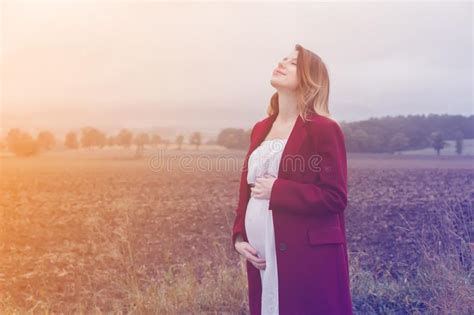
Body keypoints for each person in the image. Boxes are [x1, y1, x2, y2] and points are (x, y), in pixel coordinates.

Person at [231, 44, 353, 315]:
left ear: (310, 78)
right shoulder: (261, 128)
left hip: (305, 258)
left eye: (293, 62)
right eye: (282, 58)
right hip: (263, 259)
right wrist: (239, 236)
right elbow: (247, 189)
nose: (282, 63)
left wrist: (279, 190)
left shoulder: (324, 129)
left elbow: (335, 197)